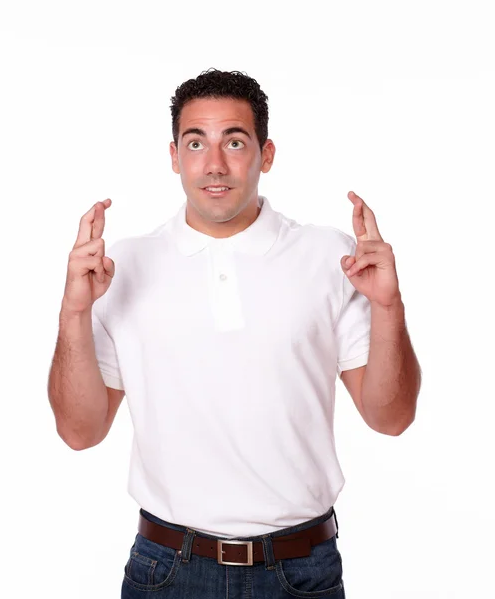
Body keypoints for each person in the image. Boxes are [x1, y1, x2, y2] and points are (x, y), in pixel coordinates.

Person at [48, 68, 421, 598]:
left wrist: (389, 306)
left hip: (300, 570)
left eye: (235, 142)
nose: (215, 164)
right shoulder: (122, 265)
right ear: (174, 156)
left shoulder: (327, 257)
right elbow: (78, 432)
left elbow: (392, 417)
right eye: (196, 142)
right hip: (167, 570)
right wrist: (72, 312)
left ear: (266, 155)